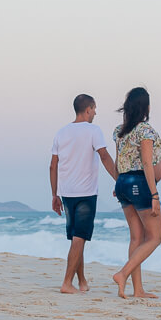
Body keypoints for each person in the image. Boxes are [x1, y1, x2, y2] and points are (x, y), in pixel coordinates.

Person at [50, 94, 117, 294]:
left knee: (76, 238)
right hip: (86, 193)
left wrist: (54, 194)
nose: (95, 113)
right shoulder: (93, 130)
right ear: (88, 109)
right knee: (80, 238)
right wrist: (119, 179)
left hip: (67, 193)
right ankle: (66, 283)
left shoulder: (61, 132)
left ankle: (81, 281)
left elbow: (53, 165)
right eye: (94, 109)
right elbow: (104, 156)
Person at [111, 86, 161, 299]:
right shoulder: (145, 130)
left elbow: (118, 161)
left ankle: (138, 290)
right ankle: (123, 274)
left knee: (136, 237)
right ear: (146, 107)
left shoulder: (120, 131)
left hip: (123, 182)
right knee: (155, 237)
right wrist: (154, 195)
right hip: (139, 184)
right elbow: (147, 163)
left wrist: (118, 184)